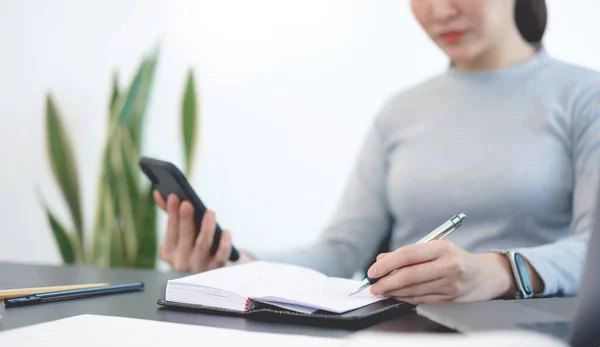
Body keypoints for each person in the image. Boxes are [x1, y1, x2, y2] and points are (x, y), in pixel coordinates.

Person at [154, 0, 600, 304]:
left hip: (536, 343)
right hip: (403, 337)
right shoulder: (401, 110)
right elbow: (341, 251)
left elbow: (593, 248)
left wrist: (500, 271)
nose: (439, 11)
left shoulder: (584, 95)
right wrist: (240, 263)